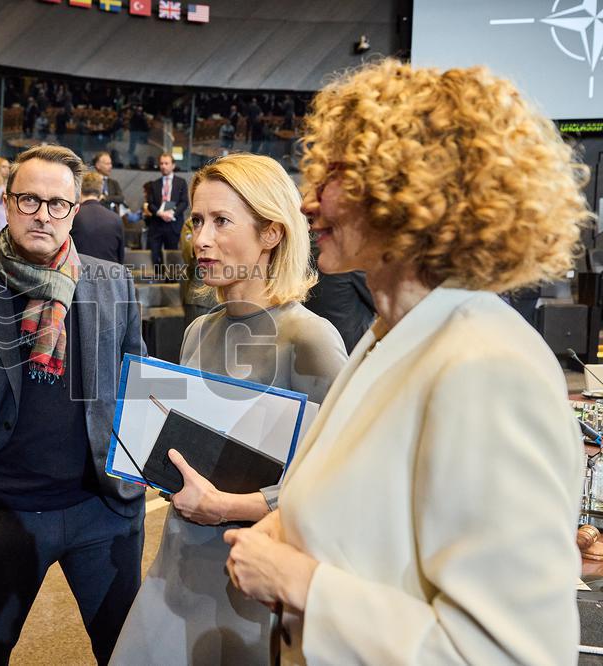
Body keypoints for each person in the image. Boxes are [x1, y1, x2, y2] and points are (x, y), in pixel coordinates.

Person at [225, 60, 589, 664]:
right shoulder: (390, 336)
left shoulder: (486, 367)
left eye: (335, 174)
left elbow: (508, 653)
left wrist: (298, 581)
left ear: (412, 190)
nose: (309, 202)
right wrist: (288, 524)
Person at [111, 153, 347, 665]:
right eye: (197, 221)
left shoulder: (310, 339)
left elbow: (338, 486)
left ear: (271, 234)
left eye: (221, 221)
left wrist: (228, 507)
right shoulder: (200, 330)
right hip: (179, 557)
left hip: (254, 576)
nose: (201, 239)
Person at [0, 145, 146, 665]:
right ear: (7, 202)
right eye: (29, 199)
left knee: (127, 654)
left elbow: (135, 383)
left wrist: (138, 475)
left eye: (57, 204)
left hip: (102, 511)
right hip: (5, 514)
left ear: (75, 210)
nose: (42, 214)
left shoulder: (113, 282)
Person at [144, 152, 189, 271]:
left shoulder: (181, 183)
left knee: (172, 257)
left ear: (173, 165)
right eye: (161, 163)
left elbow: (184, 202)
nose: (163, 166)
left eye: (166, 163)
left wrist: (172, 213)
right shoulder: (154, 184)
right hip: (157, 225)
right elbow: (150, 204)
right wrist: (160, 213)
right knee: (154, 256)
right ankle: (156, 283)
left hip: (173, 224)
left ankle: (171, 284)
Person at [70, 171, 124, 264]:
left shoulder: (73, 215)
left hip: (78, 274)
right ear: (100, 190)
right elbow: (121, 257)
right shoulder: (116, 219)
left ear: (79, 189)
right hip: (109, 275)